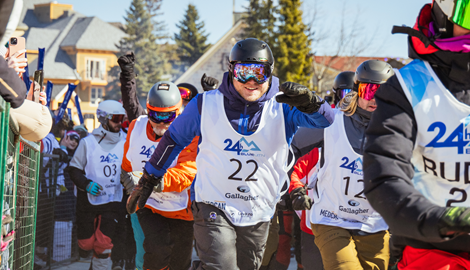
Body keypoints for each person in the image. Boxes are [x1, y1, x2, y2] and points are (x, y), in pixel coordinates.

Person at [127, 37, 334, 270]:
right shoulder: (204, 104)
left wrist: (312, 103)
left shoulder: (283, 106)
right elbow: (172, 140)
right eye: (244, 72)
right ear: (231, 71)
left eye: (260, 73)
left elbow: (326, 121)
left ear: (270, 73)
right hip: (213, 203)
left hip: (258, 209)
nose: (252, 81)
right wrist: (149, 178)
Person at [364, 1, 470, 269]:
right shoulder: (408, 87)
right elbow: (384, 177)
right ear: (443, 16)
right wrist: (445, 219)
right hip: (434, 252)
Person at [290, 60, 393, 270]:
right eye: (369, 90)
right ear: (356, 91)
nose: (375, 99)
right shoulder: (333, 121)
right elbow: (296, 145)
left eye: (382, 93)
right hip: (331, 218)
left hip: (373, 223)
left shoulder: (397, 132)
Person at [121, 81, 198, 270]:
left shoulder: (191, 131)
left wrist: (155, 180)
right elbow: (126, 164)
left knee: (179, 262)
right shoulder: (136, 127)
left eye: (169, 116)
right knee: (157, 251)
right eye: (155, 115)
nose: (162, 123)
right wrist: (131, 183)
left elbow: (188, 171)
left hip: (181, 210)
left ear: (179, 112)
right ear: (147, 110)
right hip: (149, 205)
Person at [66, 100, 126, 270]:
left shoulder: (125, 141)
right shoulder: (88, 143)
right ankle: (91, 257)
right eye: (116, 118)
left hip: (114, 201)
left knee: (104, 243)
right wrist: (86, 184)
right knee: (86, 244)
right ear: (104, 119)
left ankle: (100, 265)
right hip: (89, 201)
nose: (119, 122)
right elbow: (74, 169)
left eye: (121, 118)